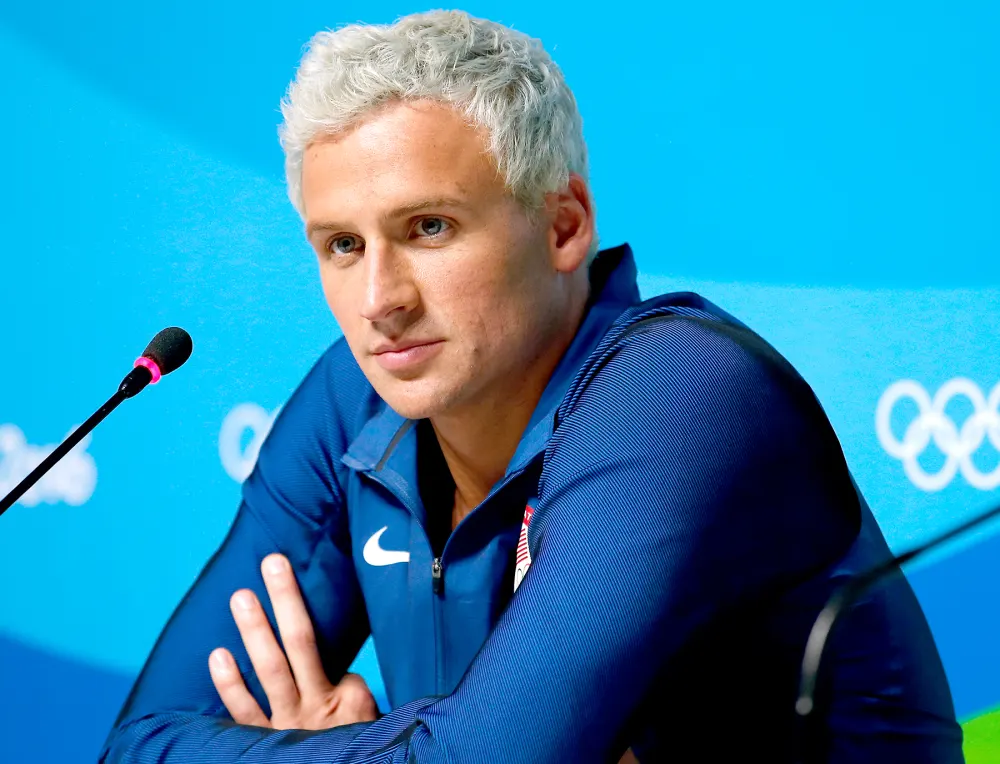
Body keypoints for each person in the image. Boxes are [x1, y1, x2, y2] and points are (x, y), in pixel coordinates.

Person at [100, 9, 963, 763]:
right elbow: (133, 744)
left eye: (428, 227)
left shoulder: (682, 393)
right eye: (342, 246)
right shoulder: (356, 399)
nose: (380, 302)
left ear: (563, 226)